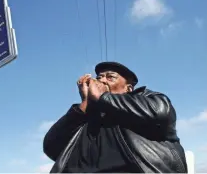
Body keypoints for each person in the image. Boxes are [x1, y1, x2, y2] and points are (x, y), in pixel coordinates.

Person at [43, 61, 188, 173]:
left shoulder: (145, 99)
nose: (102, 80)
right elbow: (51, 147)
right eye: (99, 77)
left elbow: (161, 112)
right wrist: (86, 104)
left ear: (128, 88)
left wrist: (103, 97)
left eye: (110, 77)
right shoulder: (86, 119)